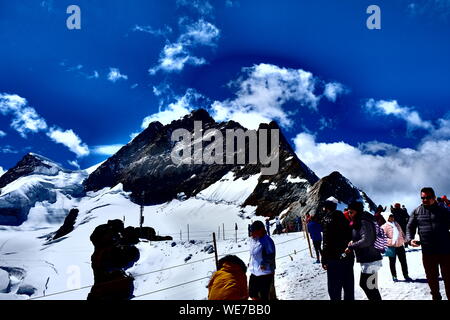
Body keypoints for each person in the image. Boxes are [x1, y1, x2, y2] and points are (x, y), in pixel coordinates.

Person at [406, 187, 450, 300]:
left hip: (445, 250)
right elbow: (409, 227)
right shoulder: (416, 211)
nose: (425, 200)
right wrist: (410, 240)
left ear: (434, 197)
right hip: (428, 251)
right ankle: (436, 297)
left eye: (428, 197)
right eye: (423, 198)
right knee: (431, 278)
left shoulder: (444, 210)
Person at [345, 201, 383, 300]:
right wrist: (353, 241)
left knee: (368, 286)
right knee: (371, 286)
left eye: (351, 212)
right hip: (370, 258)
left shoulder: (363, 221)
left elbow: (367, 240)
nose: (349, 214)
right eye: (349, 212)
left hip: (371, 259)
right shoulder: (362, 220)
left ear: (357, 211)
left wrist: (352, 246)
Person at [321, 200, 355, 300]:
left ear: (326, 208)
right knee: (348, 286)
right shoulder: (345, 219)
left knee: (334, 288)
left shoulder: (327, 220)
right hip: (347, 257)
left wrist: (324, 259)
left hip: (333, 258)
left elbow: (326, 242)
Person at [248, 220, 277, 300]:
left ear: (260, 230)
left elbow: (271, 254)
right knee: (252, 294)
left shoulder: (267, 240)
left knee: (264, 296)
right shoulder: (254, 240)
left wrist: (264, 263)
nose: (252, 233)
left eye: (253, 231)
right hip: (254, 272)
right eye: (251, 231)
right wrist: (250, 262)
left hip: (265, 273)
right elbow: (253, 254)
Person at [381, 213, 412, 282]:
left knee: (403, 261)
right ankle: (394, 276)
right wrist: (391, 241)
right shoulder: (384, 226)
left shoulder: (396, 224)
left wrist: (405, 240)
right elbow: (382, 238)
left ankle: (406, 275)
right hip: (391, 247)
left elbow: (401, 233)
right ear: (387, 218)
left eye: (392, 216)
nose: (392, 218)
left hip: (400, 246)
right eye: (390, 217)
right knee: (392, 262)